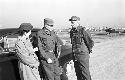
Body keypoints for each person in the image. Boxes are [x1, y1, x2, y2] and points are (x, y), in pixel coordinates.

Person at [69, 16, 94, 80]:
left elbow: (90, 42)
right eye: (71, 23)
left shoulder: (83, 30)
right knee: (78, 74)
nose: (71, 24)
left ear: (78, 22)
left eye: (73, 23)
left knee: (85, 73)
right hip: (75, 55)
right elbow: (73, 44)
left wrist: (86, 52)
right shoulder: (72, 32)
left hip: (83, 56)